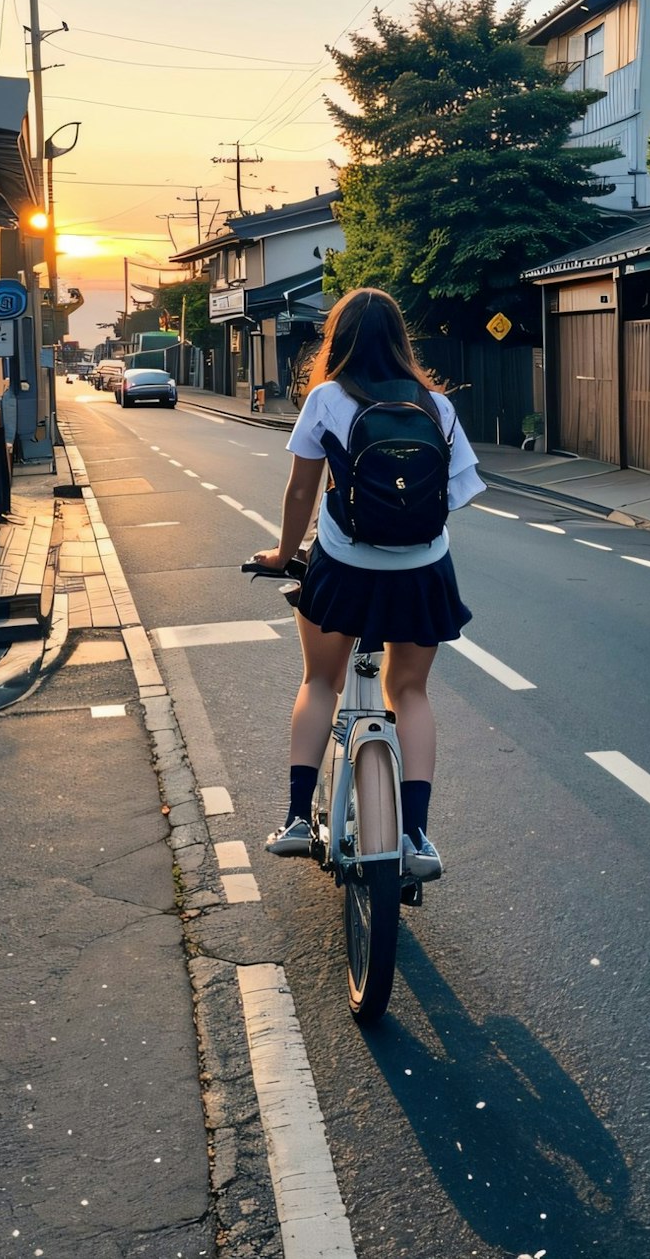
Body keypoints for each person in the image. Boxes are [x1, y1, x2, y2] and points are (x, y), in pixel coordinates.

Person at [251, 287, 485, 878]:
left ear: (338, 338)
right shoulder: (438, 407)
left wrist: (282, 554)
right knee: (410, 692)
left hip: (344, 566)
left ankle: (299, 818)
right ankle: (416, 837)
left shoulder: (327, 398)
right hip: (422, 569)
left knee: (320, 679)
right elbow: (456, 495)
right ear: (402, 340)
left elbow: (302, 490)